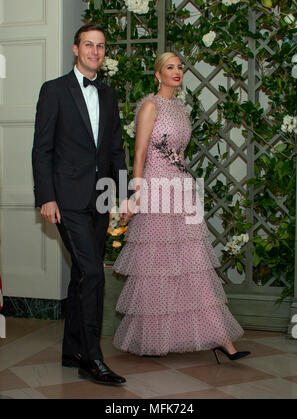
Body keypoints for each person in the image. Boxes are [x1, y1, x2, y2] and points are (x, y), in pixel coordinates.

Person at [113, 52, 251, 364]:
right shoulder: (150, 106)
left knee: (193, 267)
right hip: (156, 193)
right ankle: (153, 338)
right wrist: (136, 194)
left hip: (180, 191)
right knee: (156, 268)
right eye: (170, 67)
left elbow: (178, 155)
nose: (177, 72)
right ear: (157, 75)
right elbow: (140, 153)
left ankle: (220, 338)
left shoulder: (179, 108)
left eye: (180, 67)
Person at [32, 23, 133, 385]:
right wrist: (46, 196)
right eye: (88, 45)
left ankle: (71, 348)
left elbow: (115, 150)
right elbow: (41, 148)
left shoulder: (108, 94)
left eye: (101, 46)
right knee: (92, 273)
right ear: (76, 49)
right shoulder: (54, 90)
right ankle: (92, 359)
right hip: (66, 199)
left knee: (81, 274)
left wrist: (125, 195)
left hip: (101, 197)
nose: (95, 51)